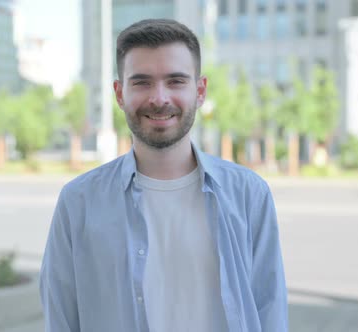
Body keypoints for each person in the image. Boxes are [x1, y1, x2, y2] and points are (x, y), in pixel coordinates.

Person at [39, 18, 288, 332]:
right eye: (142, 82)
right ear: (119, 93)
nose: (159, 98)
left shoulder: (249, 194)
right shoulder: (78, 202)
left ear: (200, 91)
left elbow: (270, 310)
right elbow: (60, 317)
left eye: (175, 81)